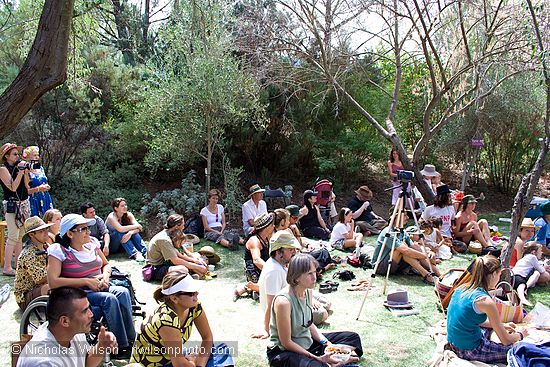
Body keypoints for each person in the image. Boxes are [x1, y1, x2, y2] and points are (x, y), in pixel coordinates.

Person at [47, 213, 136, 358]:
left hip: (99, 285)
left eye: (88, 228)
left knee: (122, 292)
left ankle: (132, 337)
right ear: (70, 233)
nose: (89, 232)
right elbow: (53, 281)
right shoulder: (59, 251)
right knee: (109, 299)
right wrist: (86, 281)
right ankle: (120, 346)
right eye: (83, 229)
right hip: (76, 293)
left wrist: (105, 277)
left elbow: (106, 265)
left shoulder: (92, 244)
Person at [267, 253, 363, 367]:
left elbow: (309, 324)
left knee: (353, 337)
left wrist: (329, 345)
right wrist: (317, 358)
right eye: (309, 274)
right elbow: (286, 342)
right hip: (285, 352)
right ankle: (332, 362)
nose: (315, 277)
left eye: (314, 272)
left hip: (307, 342)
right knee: (317, 365)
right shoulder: (283, 302)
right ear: (296, 277)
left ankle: (335, 360)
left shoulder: (308, 291)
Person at [130, 270, 233, 367]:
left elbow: (207, 337)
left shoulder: (195, 307)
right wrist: (192, 362)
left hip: (173, 359)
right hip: (157, 365)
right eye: (191, 293)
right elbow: (179, 364)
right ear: (174, 298)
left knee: (221, 349)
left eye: (196, 291)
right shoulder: (165, 319)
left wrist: (198, 365)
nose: (196, 294)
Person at [446, 255, 528, 363]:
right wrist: (521, 334)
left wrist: (502, 325)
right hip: (470, 350)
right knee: (518, 351)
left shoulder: (461, 289)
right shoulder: (485, 301)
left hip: (454, 342)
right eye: (499, 275)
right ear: (494, 274)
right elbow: (506, 340)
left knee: (493, 329)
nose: (499, 278)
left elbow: (471, 319)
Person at [16, 286, 118, 367]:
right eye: (85, 311)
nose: (91, 314)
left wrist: (101, 345)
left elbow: (86, 363)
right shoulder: (44, 362)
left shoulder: (72, 332)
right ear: (64, 321)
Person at [254, 232, 329, 339]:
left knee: (327, 303)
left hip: (297, 297)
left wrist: (309, 300)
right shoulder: (274, 271)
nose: (294, 252)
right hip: (290, 311)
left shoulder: (282, 264)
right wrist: (266, 329)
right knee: (323, 313)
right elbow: (270, 304)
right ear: (279, 252)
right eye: (290, 249)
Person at [373, 212, 440, 285]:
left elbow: (414, 247)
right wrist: (425, 255)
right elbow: (406, 251)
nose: (407, 217)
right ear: (396, 218)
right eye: (404, 215)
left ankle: (438, 274)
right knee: (403, 249)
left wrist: (428, 253)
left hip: (396, 265)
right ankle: (427, 275)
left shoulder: (403, 232)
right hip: (381, 267)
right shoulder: (388, 232)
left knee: (412, 249)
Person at [147, 214, 206, 281]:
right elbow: (176, 261)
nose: (183, 227)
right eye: (183, 225)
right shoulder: (164, 240)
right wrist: (197, 267)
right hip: (156, 269)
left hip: (167, 264)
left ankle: (190, 275)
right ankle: (186, 277)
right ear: (176, 226)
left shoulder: (174, 235)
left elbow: (186, 252)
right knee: (183, 269)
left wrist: (196, 259)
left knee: (198, 256)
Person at [0, 143, 30, 276]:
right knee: (12, 235)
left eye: (18, 154)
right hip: (12, 205)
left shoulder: (19, 167)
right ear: (6, 156)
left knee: (20, 236)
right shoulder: (3, 169)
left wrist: (25, 172)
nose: (17, 156)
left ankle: (18, 265)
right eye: (14, 154)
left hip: (23, 203)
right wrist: (20, 172)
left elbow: (27, 184)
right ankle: (7, 267)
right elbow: (12, 187)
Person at [14, 216, 53, 310]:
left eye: (46, 229)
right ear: (32, 235)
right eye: (41, 231)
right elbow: (41, 279)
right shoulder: (28, 254)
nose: (46, 233)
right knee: (49, 287)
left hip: (40, 289)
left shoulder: (46, 246)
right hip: (25, 297)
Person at [234, 213, 275, 300]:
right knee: (274, 287)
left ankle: (254, 289)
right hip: (254, 271)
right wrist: (273, 270)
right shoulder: (255, 240)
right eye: (272, 224)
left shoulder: (267, 238)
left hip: (263, 269)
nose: (274, 226)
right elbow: (256, 260)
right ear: (266, 227)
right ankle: (247, 287)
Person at [512, 242, 550, 306]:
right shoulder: (532, 257)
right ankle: (522, 298)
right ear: (533, 252)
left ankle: (525, 288)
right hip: (517, 275)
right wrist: (544, 266)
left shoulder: (526, 257)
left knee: (536, 273)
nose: (541, 253)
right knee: (521, 285)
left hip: (520, 276)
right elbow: (542, 270)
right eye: (540, 251)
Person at [22, 146, 53, 217]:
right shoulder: (25, 171)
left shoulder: (40, 168)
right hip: (34, 200)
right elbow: (26, 191)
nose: (37, 157)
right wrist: (39, 189)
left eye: (37, 155)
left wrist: (47, 187)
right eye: (34, 155)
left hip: (45, 198)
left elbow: (44, 182)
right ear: (28, 157)